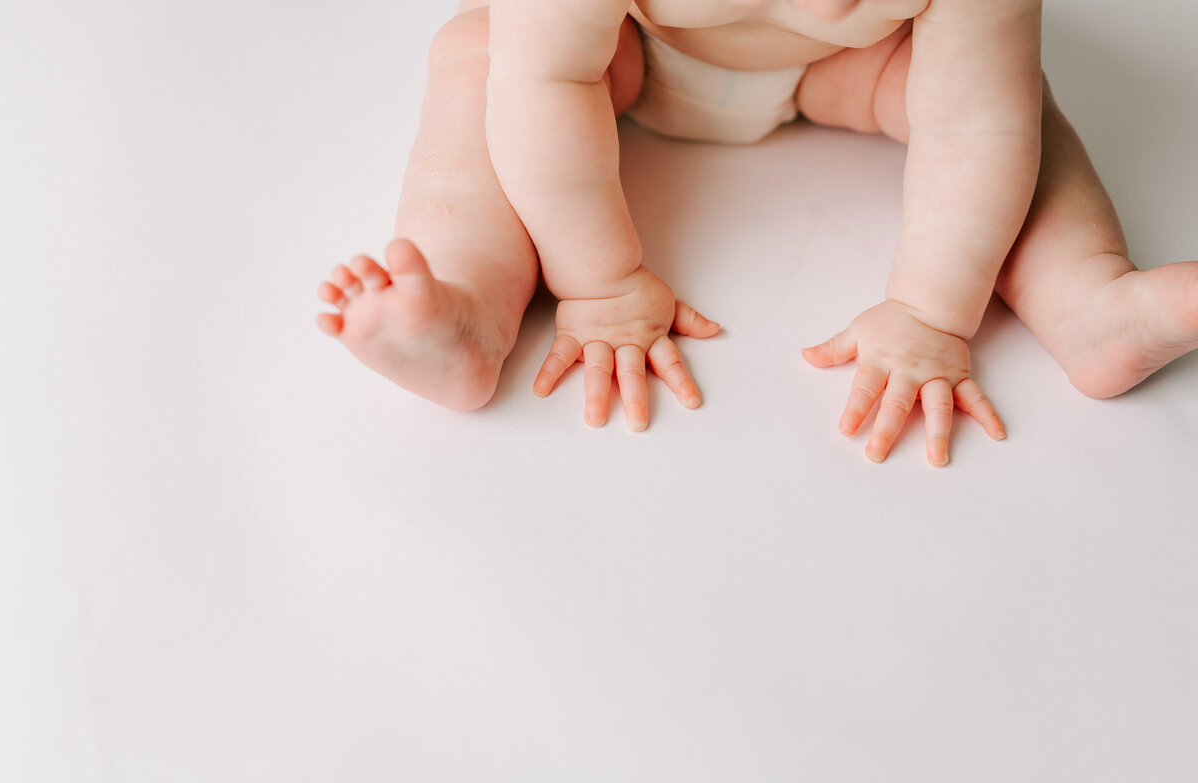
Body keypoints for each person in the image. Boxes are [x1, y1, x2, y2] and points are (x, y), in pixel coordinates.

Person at [316, 0, 1198, 466]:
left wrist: (933, 313)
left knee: (1019, 107)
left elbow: (978, 128)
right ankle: (471, 300)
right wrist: (600, 281)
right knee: (477, 57)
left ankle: (1087, 300)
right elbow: (542, 84)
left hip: (848, 72)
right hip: (623, 55)